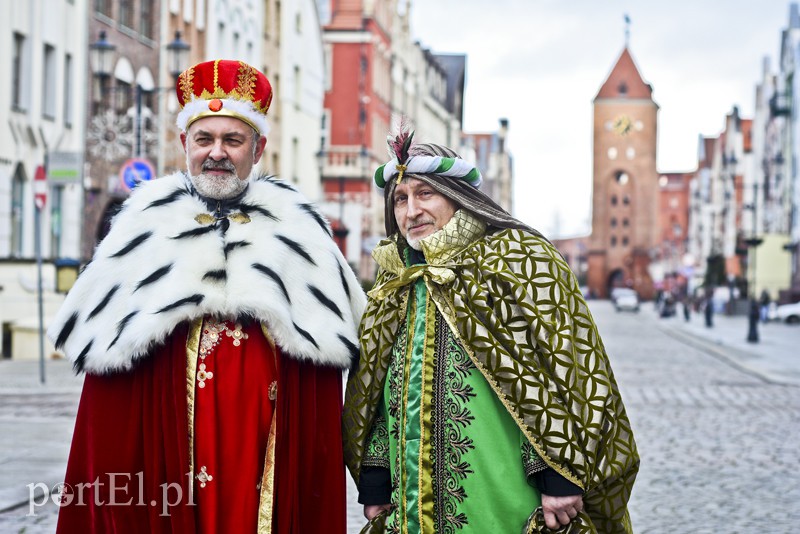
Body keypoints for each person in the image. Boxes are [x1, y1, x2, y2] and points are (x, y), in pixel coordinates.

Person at [48, 59, 365, 533]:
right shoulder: (142, 229)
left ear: (257, 150)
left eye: (233, 140)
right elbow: (105, 407)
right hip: (167, 454)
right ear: (184, 145)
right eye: (204, 139)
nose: (216, 153)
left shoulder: (301, 235)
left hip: (267, 455)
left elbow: (325, 386)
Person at [342, 129, 639, 533]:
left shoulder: (519, 257)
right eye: (400, 198)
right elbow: (377, 391)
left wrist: (559, 476)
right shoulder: (393, 283)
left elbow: (571, 371)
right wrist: (376, 485)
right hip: (411, 503)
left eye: (425, 193)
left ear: (457, 195)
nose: (411, 211)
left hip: (504, 493)